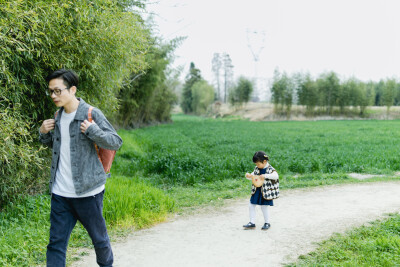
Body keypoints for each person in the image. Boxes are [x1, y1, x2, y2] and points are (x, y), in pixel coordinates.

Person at [39, 69, 122, 267]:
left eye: (58, 91)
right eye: (51, 91)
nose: (53, 96)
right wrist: (43, 132)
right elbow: (57, 146)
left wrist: (93, 131)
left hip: (88, 192)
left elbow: (115, 142)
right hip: (61, 193)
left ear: (73, 89)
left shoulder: (91, 114)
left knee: (99, 241)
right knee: (56, 245)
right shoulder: (57, 116)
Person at [243, 151, 279, 230]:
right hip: (257, 190)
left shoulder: (270, 169)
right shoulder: (257, 168)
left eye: (258, 164)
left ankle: (267, 222)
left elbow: (276, 176)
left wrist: (265, 176)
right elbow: (253, 176)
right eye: (256, 164)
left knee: (264, 207)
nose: (257, 166)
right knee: (251, 205)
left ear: (265, 161)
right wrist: (249, 176)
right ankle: (252, 222)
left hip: (265, 192)